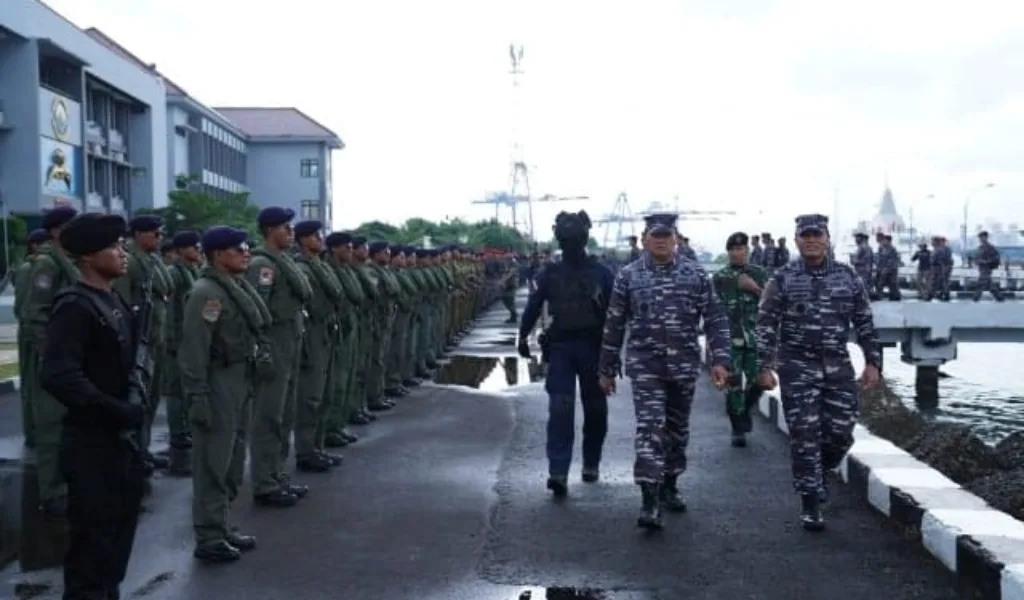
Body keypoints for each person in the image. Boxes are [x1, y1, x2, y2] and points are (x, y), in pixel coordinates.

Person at [598, 213, 731, 530]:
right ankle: (649, 498)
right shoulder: (628, 276)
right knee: (650, 427)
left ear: (675, 238)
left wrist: (720, 360)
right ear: (645, 238)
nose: (660, 240)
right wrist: (606, 368)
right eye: (654, 235)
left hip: (683, 366)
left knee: (677, 430)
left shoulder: (695, 275)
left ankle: (670, 482)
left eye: (666, 235)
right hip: (646, 366)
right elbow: (614, 323)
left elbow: (714, 319)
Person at [38, 213, 144, 599]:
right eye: (114, 247)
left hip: (121, 443)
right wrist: (111, 408)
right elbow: (58, 374)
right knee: (92, 550)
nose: (123, 253)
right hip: (92, 443)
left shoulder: (112, 299)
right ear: (87, 257)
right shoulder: (75, 306)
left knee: (115, 546)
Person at [754, 213, 881, 532]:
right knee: (805, 434)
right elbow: (766, 324)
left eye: (817, 234)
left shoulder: (848, 276)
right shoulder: (782, 278)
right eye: (805, 235)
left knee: (840, 432)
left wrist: (873, 362)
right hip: (797, 366)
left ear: (827, 238)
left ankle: (820, 472)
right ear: (797, 240)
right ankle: (810, 501)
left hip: (838, 365)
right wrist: (764, 365)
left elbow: (864, 321)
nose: (811, 240)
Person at [180, 226, 269, 562]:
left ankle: (223, 524)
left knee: (231, 459)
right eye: (238, 249)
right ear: (218, 255)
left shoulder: (234, 286)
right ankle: (209, 535)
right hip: (218, 381)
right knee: (213, 462)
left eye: (246, 248)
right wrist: (198, 396)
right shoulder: (206, 294)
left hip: (239, 378)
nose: (246, 253)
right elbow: (194, 350)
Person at [517, 210, 614, 497]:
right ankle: (558, 471)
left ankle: (590, 463)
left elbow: (616, 315)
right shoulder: (550, 272)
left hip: (593, 347)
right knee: (560, 408)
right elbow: (534, 305)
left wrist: (613, 353)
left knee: (595, 409)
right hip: (561, 348)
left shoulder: (602, 273)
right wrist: (522, 334)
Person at [247, 207, 312, 507]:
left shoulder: (283, 262)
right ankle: (264, 482)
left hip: (290, 340)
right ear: (270, 230)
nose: (290, 233)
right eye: (285, 228)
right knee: (268, 416)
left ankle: (277, 474)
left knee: (284, 415)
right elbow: (258, 312)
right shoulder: (263, 265)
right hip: (274, 343)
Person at [23, 205, 80, 516]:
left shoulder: (70, 262)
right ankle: (52, 491)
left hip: (71, 357)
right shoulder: (47, 265)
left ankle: (66, 484)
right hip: (54, 358)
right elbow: (35, 315)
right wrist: (51, 355)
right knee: (52, 426)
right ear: (58, 231)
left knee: (70, 425)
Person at [711, 232, 768, 447]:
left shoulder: (760, 274)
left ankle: (745, 409)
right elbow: (712, 310)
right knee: (733, 384)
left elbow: (772, 304)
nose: (736, 253)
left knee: (758, 381)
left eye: (740, 249)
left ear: (747, 251)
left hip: (755, 339)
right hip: (729, 339)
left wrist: (753, 288)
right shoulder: (720, 277)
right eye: (732, 250)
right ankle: (737, 428)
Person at [14, 228, 49, 448]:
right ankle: (33, 432)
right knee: (32, 384)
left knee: (32, 384)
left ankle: (32, 432)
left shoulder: (31, 267)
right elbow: (23, 304)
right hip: (31, 330)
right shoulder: (30, 268)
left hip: (28, 328)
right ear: (34, 245)